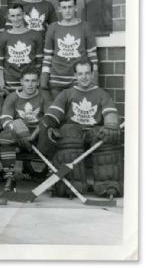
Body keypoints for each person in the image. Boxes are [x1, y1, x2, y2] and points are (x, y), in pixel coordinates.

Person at [39, 60, 122, 198]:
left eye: (87, 73)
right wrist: (47, 125)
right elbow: (54, 114)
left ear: (92, 74)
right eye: (80, 73)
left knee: (107, 138)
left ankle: (108, 185)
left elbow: (110, 113)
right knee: (69, 133)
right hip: (73, 134)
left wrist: (112, 125)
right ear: (75, 76)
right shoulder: (67, 93)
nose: (84, 77)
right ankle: (71, 185)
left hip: (94, 132)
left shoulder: (101, 94)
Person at [0, 68, 53, 192]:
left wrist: (36, 132)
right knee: (6, 136)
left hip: (38, 135)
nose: (30, 84)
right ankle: (9, 176)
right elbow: (5, 120)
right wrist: (19, 129)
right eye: (27, 80)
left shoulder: (44, 95)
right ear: (21, 82)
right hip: (19, 135)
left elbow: (50, 117)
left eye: (33, 81)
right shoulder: (12, 97)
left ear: (38, 82)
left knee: (51, 132)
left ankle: (51, 173)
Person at [41, 0, 99, 98]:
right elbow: (47, 57)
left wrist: (94, 79)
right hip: (57, 81)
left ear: (75, 8)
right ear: (59, 9)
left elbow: (93, 57)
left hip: (79, 80)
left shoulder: (85, 27)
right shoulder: (53, 28)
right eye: (64, 7)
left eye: (70, 7)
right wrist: (44, 80)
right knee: (58, 112)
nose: (67, 10)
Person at [0, 3, 43, 93]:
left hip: (30, 85)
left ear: (23, 14)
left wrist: (37, 84)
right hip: (9, 87)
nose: (16, 19)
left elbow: (39, 64)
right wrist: (1, 87)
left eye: (18, 15)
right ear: (9, 17)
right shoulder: (2, 37)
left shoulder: (36, 35)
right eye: (13, 16)